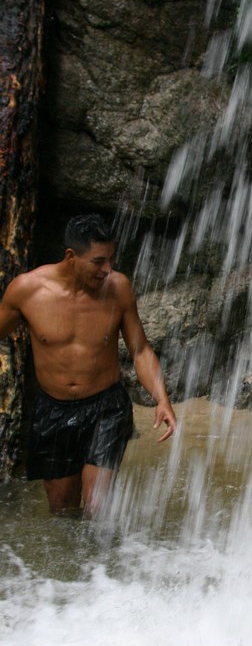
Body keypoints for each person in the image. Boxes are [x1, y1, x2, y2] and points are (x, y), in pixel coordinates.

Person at [0, 213, 176, 518]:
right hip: (52, 410)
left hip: (106, 407)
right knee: (62, 510)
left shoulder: (118, 288)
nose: (107, 270)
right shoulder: (26, 291)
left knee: (98, 508)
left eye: (111, 259)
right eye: (98, 261)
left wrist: (161, 398)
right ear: (71, 256)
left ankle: (104, 563)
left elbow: (141, 350)